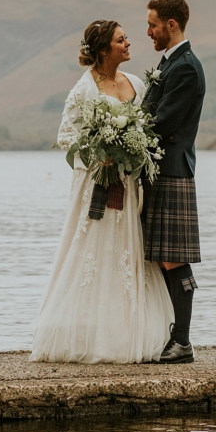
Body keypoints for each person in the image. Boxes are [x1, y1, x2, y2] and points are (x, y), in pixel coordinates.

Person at [30, 20, 173, 364]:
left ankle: (126, 333)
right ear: (104, 50)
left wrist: (134, 151)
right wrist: (100, 153)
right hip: (97, 181)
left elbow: (146, 129)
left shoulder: (136, 83)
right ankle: (88, 336)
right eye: (121, 40)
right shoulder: (84, 89)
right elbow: (66, 137)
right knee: (94, 252)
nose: (128, 43)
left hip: (128, 184)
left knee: (126, 252)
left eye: (126, 38)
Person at [141, 0, 206, 364]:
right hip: (163, 171)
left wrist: (122, 132)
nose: (148, 32)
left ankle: (182, 340)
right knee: (166, 257)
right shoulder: (170, 63)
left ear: (171, 25)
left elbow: (162, 122)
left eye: (152, 25)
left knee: (173, 258)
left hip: (172, 170)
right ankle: (176, 336)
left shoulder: (185, 68)